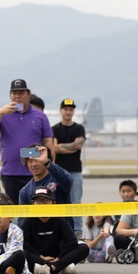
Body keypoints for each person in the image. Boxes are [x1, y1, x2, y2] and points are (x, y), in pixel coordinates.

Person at [0, 79, 54, 205]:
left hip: (35, 171)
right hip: (10, 172)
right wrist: (0, 113)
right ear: (10, 95)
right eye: (14, 93)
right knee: (15, 209)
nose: (17, 96)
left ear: (28, 94)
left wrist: (52, 166)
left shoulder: (40, 116)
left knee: (35, 207)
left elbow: (48, 141)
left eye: (21, 93)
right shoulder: (3, 114)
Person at [21, 187, 90, 274]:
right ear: (32, 204)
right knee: (20, 253)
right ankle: (61, 267)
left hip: (57, 257)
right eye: (38, 201)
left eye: (45, 201)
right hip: (37, 257)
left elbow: (72, 241)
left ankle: (52, 268)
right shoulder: (28, 220)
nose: (42, 204)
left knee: (84, 247)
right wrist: (41, 257)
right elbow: (23, 244)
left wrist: (59, 257)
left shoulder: (59, 219)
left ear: (54, 203)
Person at [52, 98, 86, 232]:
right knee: (57, 201)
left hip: (75, 171)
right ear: (61, 111)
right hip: (58, 171)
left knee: (75, 202)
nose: (68, 112)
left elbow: (78, 145)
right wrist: (70, 147)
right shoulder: (54, 129)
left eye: (70, 109)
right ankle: (59, 229)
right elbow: (54, 148)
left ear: (73, 112)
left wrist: (60, 146)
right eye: (65, 109)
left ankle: (77, 230)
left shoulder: (79, 128)